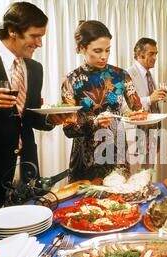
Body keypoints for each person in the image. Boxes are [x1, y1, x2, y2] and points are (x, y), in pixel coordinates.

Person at [0, 2, 65, 228]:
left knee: (27, 236)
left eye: (42, 36)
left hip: (26, 168)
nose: (40, 43)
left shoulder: (35, 68)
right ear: (12, 31)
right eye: (34, 36)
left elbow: (28, 117)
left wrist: (51, 119)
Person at [61, 20, 142, 182]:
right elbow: (68, 129)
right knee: (85, 205)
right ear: (82, 48)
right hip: (85, 158)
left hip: (117, 152)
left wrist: (135, 115)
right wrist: (94, 122)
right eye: (97, 51)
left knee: (119, 203)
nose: (103, 56)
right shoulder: (72, 80)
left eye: (107, 50)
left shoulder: (121, 75)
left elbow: (138, 110)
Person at [127, 38, 167, 170]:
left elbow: (149, 100)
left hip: (153, 130)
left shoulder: (149, 74)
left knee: (149, 170)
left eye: (156, 53)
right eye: (151, 54)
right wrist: (150, 99)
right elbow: (127, 106)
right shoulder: (128, 74)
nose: (155, 57)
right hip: (138, 131)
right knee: (136, 172)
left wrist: (156, 99)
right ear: (139, 54)